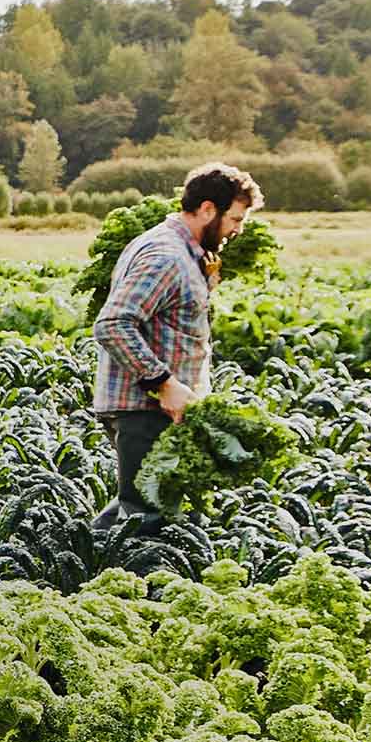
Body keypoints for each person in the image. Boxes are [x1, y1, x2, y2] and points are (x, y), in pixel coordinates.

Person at [91, 162, 262, 511]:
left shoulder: (181, 251)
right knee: (146, 521)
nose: (238, 230)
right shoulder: (166, 256)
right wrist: (164, 383)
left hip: (158, 411)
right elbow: (112, 324)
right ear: (207, 210)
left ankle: (76, 561)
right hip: (145, 409)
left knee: (139, 511)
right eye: (236, 219)